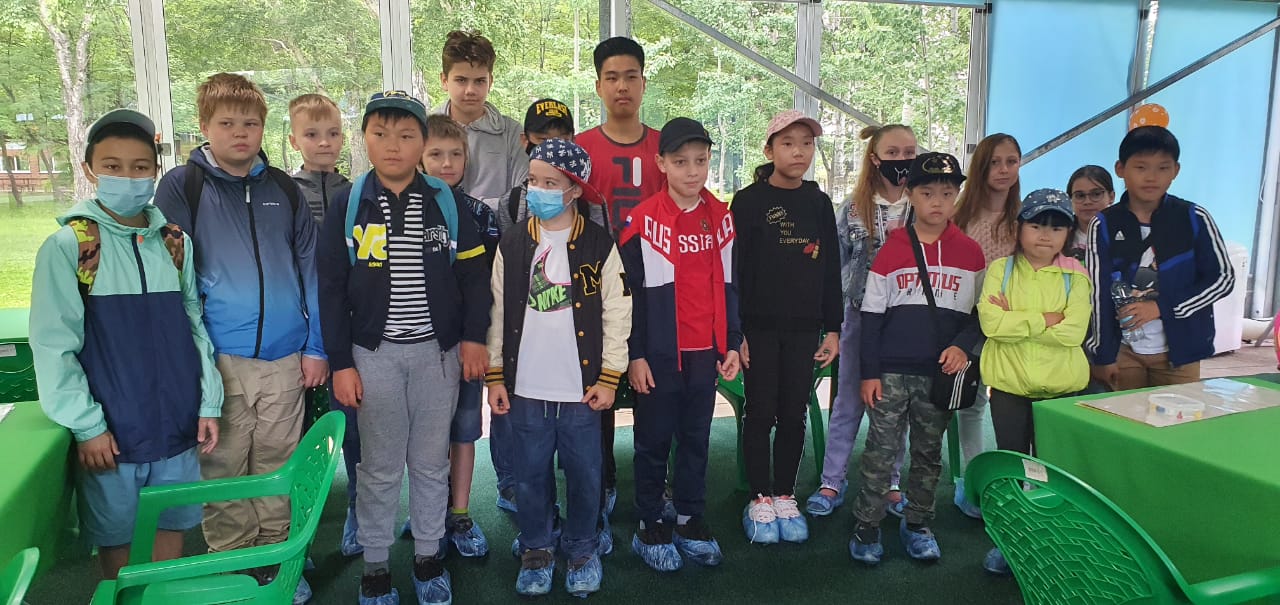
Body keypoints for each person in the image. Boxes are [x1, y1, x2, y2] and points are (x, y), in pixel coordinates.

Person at [30, 109, 222, 582]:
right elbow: (54, 347)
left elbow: (194, 325)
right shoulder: (72, 246)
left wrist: (208, 400)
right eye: (113, 166)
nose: (128, 177)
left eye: (140, 167)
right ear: (89, 169)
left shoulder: (174, 242)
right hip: (112, 435)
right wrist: (87, 425)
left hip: (177, 424)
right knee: (120, 548)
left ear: (155, 171)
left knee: (170, 532)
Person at [154, 73, 325, 604]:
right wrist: (190, 358)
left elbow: (310, 270)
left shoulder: (285, 190)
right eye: (226, 123)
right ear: (204, 125)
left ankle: (277, 554)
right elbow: (172, 275)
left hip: (286, 355)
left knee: (278, 460)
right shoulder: (183, 186)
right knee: (224, 463)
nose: (240, 133)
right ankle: (233, 557)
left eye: (250, 124)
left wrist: (316, 346)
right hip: (219, 357)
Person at [317, 91, 490, 605]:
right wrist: (341, 363)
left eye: (406, 135)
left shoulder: (445, 201)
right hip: (374, 357)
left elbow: (475, 277)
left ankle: (428, 556)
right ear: (364, 139)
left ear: (422, 143)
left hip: (439, 355)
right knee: (379, 465)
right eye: (381, 134)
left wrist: (473, 338)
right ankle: (375, 564)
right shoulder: (348, 204)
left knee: (432, 461)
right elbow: (330, 290)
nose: (393, 145)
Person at [486, 138, 629, 597]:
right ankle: (537, 546)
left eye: (550, 183)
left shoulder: (598, 244)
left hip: (582, 388)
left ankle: (583, 546)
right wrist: (495, 374)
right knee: (529, 473)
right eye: (533, 181)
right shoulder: (512, 243)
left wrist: (610, 375)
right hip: (526, 387)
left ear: (574, 190)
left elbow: (617, 311)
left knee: (586, 472)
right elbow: (496, 312)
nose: (538, 191)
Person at [849, 152, 985, 565]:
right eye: (927, 193)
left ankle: (919, 523)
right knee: (880, 451)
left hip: (938, 375)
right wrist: (869, 373)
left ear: (957, 195)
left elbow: (981, 316)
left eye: (946, 192)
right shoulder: (891, 250)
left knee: (928, 454)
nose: (937, 202)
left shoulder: (971, 253)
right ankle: (867, 524)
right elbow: (871, 317)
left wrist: (962, 346)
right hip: (890, 373)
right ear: (910, 195)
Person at [620, 118, 742, 571]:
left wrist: (732, 342)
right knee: (652, 441)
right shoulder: (641, 220)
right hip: (657, 355)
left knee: (696, 438)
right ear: (661, 163)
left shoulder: (721, 216)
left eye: (700, 161)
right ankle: (650, 523)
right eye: (680, 162)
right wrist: (635, 354)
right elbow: (627, 294)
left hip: (704, 355)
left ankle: (689, 517)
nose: (692, 171)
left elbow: (731, 284)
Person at [732, 110, 841, 545]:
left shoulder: (819, 202)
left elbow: (830, 269)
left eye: (807, 143)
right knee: (760, 412)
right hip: (758, 329)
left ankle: (784, 494)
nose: (799, 152)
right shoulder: (748, 201)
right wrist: (736, 332)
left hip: (804, 330)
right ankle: (759, 497)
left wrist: (832, 329)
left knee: (794, 413)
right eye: (788, 143)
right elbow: (735, 271)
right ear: (769, 149)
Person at [576, 35, 668, 519]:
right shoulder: (581, 148)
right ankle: (603, 478)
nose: (622, 86)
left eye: (631, 76)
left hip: (656, 290)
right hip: (596, 291)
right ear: (598, 86)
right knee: (600, 385)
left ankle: (656, 482)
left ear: (644, 83)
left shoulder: (665, 148)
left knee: (654, 384)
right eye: (611, 77)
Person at [977, 189, 1092, 574]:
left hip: (1062, 392)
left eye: (1057, 227)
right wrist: (1046, 318)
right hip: (1008, 389)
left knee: (1053, 470)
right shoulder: (1001, 270)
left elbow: (1073, 333)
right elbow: (991, 324)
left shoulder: (1076, 276)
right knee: (1012, 466)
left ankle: (1049, 542)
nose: (1046, 234)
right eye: (1037, 225)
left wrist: (1017, 319)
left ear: (1068, 233)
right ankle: (1009, 543)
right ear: (1019, 228)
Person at [807, 124, 916, 518]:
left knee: (896, 404)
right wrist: (833, 324)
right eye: (893, 153)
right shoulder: (853, 208)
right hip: (858, 316)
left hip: (906, 322)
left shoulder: (923, 206)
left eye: (909, 152)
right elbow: (834, 266)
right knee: (847, 400)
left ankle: (891, 482)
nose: (902, 160)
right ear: (875, 158)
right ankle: (831, 481)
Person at [1086, 126, 1234, 391]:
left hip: (1180, 353)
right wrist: (1102, 354)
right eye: (1141, 167)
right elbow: (1097, 294)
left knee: (1179, 415)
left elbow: (1223, 279)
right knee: (1123, 416)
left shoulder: (1194, 218)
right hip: (1123, 352)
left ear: (1176, 170)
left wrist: (1162, 307)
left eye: (1163, 168)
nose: (1151, 177)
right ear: (1120, 169)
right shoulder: (1103, 224)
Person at [418, 113, 501, 558]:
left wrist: (480, 339)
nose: (446, 163)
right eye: (436, 154)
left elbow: (488, 285)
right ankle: (427, 513)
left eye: (455, 154)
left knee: (464, 431)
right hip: (417, 347)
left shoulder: (481, 215)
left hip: (468, 344)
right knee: (423, 438)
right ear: (419, 157)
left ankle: (461, 513)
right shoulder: (405, 210)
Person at [287, 92, 361, 557]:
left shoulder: (356, 191)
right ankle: (298, 529)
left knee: (353, 426)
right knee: (298, 437)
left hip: (348, 330)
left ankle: (358, 509)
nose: (324, 143)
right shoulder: (283, 192)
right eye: (312, 134)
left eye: (333, 133)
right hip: (298, 333)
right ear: (294, 140)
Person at [949, 132, 1022, 519]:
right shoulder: (958, 217)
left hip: (1015, 327)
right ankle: (973, 481)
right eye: (995, 162)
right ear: (980, 168)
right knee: (971, 405)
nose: (1004, 169)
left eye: (1011, 161)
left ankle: (1020, 486)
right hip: (968, 323)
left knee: (1014, 408)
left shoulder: (1025, 219)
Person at [437, 30, 528, 212]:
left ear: (490, 82)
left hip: (498, 229)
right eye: (461, 80)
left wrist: (477, 210)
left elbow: (523, 196)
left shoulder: (512, 133)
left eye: (479, 81)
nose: (470, 90)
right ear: (444, 80)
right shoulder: (424, 130)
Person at [501, 98, 576, 233]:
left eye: (562, 140)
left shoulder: (587, 201)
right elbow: (507, 244)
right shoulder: (511, 202)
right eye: (543, 140)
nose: (552, 147)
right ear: (525, 140)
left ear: (573, 141)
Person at [1064, 165, 1116, 263]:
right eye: (1080, 195)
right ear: (1070, 200)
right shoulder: (1058, 235)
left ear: (1111, 197)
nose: (1087, 201)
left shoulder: (1127, 233)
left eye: (1096, 194)